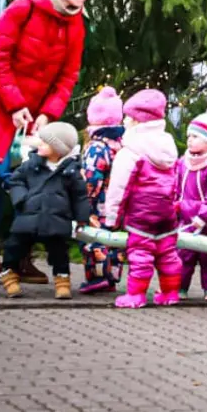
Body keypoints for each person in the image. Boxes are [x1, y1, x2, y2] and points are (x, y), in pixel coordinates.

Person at [0, 0, 89, 284]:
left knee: (38, 178)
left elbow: (69, 74)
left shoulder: (76, 23)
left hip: (37, 114)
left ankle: (21, 255)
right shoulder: (22, 9)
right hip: (0, 105)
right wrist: (14, 104)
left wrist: (47, 114)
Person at [105, 89, 184, 309]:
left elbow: (119, 187)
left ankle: (136, 295)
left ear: (134, 120)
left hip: (140, 214)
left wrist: (112, 218)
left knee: (140, 254)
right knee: (168, 254)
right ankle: (170, 293)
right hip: (167, 213)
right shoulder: (167, 146)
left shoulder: (131, 150)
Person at [0, 122, 90, 301]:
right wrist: (21, 199)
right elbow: (15, 181)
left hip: (56, 219)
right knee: (14, 246)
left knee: (59, 251)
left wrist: (82, 218)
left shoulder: (71, 171)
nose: (38, 144)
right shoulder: (31, 165)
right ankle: (9, 275)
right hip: (28, 217)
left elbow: (80, 197)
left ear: (58, 148)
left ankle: (62, 280)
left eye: (44, 142)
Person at [177, 105, 207, 303]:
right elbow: (175, 185)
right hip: (185, 216)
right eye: (189, 136)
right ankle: (179, 286)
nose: (190, 140)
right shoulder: (183, 162)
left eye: (196, 137)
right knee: (183, 254)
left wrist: (204, 215)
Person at [78, 86, 126, 295]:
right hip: (117, 203)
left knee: (93, 238)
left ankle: (97, 276)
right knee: (114, 240)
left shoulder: (96, 146)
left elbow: (92, 176)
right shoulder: (120, 144)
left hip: (99, 203)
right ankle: (112, 275)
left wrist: (84, 200)